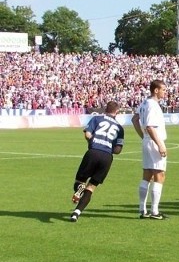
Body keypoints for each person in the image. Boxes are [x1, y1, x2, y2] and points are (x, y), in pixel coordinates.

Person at [69, 101, 125, 222]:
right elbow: (118, 150)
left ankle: (78, 191)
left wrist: (93, 142)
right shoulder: (120, 128)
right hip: (107, 157)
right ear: (117, 112)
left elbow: (87, 134)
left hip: (93, 152)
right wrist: (109, 146)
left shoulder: (97, 118)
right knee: (91, 187)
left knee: (79, 182)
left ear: (105, 109)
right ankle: (76, 213)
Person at [132, 79, 169, 220]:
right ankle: (154, 211)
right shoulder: (153, 105)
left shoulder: (144, 103)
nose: (165, 92)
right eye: (163, 90)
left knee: (147, 175)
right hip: (154, 141)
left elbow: (135, 120)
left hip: (147, 141)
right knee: (159, 175)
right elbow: (150, 126)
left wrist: (143, 137)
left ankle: (142, 209)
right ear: (156, 90)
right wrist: (160, 144)